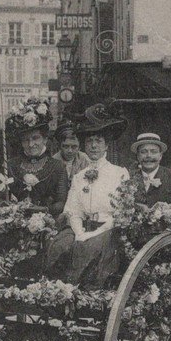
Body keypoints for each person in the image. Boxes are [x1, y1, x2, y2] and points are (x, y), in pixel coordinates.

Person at [45, 106, 130, 288]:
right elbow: (73, 210)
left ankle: (83, 292)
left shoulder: (119, 174)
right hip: (82, 227)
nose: (93, 146)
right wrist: (80, 233)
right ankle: (58, 292)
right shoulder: (79, 176)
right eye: (90, 141)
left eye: (98, 141)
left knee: (88, 247)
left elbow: (121, 214)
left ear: (106, 145)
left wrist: (94, 234)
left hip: (108, 230)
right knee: (58, 246)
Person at [8, 116, 68, 215]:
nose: (31, 144)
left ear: (45, 139)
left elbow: (62, 203)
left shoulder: (58, 166)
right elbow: (0, 198)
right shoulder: (11, 165)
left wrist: (42, 210)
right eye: (26, 140)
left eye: (35, 138)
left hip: (48, 223)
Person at [131, 132, 171, 206]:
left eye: (153, 152)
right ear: (138, 156)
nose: (148, 155)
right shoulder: (129, 177)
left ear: (160, 155)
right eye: (143, 152)